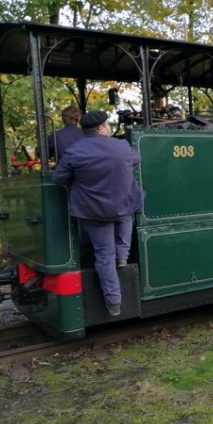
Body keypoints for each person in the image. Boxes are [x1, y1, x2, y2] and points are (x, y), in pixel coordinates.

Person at [52, 110, 144, 316]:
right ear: (102, 127)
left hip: (93, 212)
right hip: (122, 207)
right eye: (108, 125)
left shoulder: (75, 151)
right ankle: (123, 255)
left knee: (103, 256)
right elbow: (136, 159)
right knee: (128, 212)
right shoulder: (121, 146)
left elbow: (58, 178)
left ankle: (114, 303)